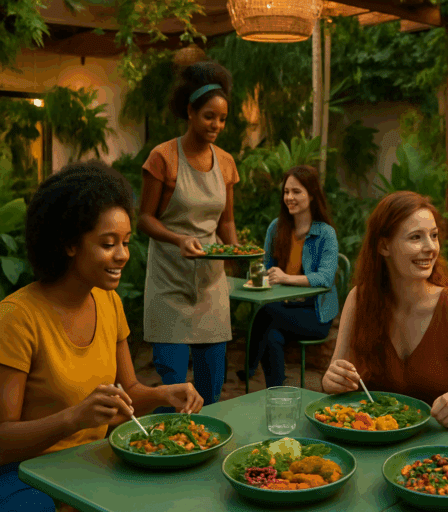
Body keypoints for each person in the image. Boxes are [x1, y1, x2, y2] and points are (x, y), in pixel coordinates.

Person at [0, 161, 204, 512]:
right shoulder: (17, 317)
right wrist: (74, 418)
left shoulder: (108, 302)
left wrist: (163, 394)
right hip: (25, 476)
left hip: (90, 465)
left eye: (126, 242)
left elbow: (130, 393)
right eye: (108, 243)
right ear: (69, 244)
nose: (122, 255)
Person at [322, 191, 448, 429]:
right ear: (384, 246)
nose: (430, 248)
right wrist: (332, 380)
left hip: (437, 451)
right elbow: (335, 376)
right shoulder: (359, 299)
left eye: (433, 236)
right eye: (416, 237)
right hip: (372, 441)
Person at [138, 60, 240, 409]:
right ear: (190, 112)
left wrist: (239, 252)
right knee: (174, 390)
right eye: (209, 116)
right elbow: (144, 219)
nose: (217, 125)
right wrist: (178, 239)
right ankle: (173, 453)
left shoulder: (225, 162)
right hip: (169, 283)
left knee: (212, 389)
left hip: (211, 285)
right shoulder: (162, 157)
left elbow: (225, 223)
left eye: (222, 119)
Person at [237, 165, 339, 388]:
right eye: (286, 192)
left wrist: (285, 278)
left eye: (296, 192)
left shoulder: (325, 233)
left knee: (266, 314)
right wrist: (257, 278)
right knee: (271, 335)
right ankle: (277, 391)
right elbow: (267, 267)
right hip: (283, 308)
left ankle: (249, 367)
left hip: (315, 314)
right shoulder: (277, 227)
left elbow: (325, 278)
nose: (289, 197)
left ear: (311, 195)